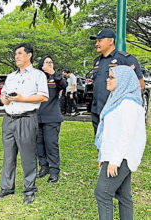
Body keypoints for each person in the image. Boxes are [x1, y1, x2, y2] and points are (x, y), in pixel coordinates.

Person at [0, 43, 48, 204]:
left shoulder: (38, 75)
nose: (16, 56)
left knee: (28, 156)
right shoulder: (11, 76)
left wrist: (22, 98)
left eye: (19, 53)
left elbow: (43, 97)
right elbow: (3, 95)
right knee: (8, 155)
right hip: (9, 118)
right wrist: (4, 99)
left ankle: (29, 190)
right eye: (15, 54)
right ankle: (7, 187)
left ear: (29, 55)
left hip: (26, 118)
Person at [94, 65, 146, 220]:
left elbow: (126, 135)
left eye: (111, 77)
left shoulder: (128, 103)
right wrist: (104, 157)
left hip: (122, 156)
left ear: (123, 80)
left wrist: (114, 161)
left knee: (102, 193)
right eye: (108, 76)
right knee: (123, 196)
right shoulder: (117, 100)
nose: (107, 80)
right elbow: (112, 133)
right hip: (114, 155)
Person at [89, 28, 144, 134]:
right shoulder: (97, 61)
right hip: (98, 110)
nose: (96, 44)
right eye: (96, 41)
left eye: (100, 40)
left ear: (111, 41)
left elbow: (140, 86)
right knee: (101, 145)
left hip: (115, 112)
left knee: (116, 145)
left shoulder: (125, 59)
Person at [36, 56, 67, 183]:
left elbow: (64, 85)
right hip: (37, 117)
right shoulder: (36, 77)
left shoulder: (56, 78)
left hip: (52, 117)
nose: (49, 64)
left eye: (51, 62)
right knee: (39, 145)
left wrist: (53, 73)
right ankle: (44, 167)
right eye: (46, 62)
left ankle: (54, 171)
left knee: (51, 145)